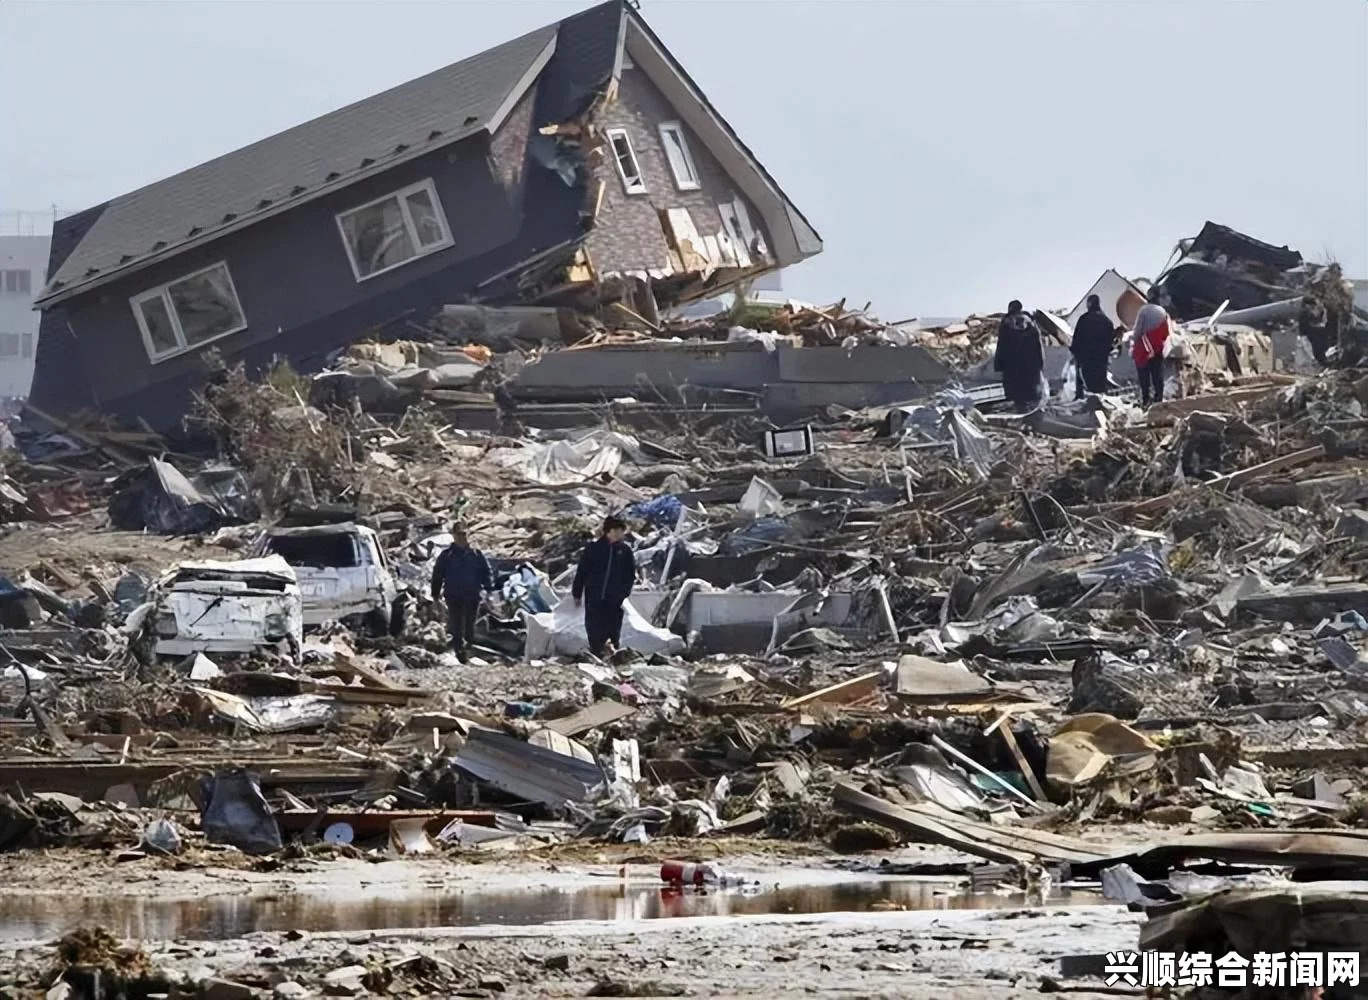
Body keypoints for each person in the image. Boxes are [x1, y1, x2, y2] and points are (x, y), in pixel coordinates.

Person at [572, 515, 637, 657]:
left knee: (613, 629)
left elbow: (630, 575)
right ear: (611, 531)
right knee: (594, 628)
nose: (622, 534)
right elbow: (582, 571)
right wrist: (577, 593)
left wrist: (623, 593)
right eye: (620, 530)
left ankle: (613, 655)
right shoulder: (594, 548)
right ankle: (596, 654)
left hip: (614, 599)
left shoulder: (624, 551)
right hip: (594, 597)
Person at [430, 528, 494, 662]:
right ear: (453, 536)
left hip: (472, 594)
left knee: (470, 623)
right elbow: (437, 575)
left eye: (463, 534)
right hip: (453, 595)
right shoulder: (447, 555)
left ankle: (468, 648)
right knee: (456, 623)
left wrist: (489, 590)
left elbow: (486, 572)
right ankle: (459, 651)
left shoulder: (475, 554)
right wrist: (435, 595)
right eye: (458, 534)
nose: (461, 537)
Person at [994, 300, 1045, 412]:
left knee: (1018, 397)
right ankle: (1033, 418)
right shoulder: (1031, 324)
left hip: (1012, 368)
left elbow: (1001, 346)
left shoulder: (1006, 324)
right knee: (1031, 396)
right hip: (1030, 367)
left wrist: (998, 365)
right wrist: (1041, 363)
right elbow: (1038, 346)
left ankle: (1023, 416)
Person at [1131, 287, 1171, 407]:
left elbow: (1137, 331)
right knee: (1157, 375)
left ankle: (1146, 400)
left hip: (1144, 349)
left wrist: (1135, 341)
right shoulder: (1162, 311)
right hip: (1158, 348)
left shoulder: (1144, 311)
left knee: (1144, 377)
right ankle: (1159, 399)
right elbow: (1166, 333)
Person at [1070, 294, 1118, 395]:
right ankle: (1100, 405)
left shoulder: (1083, 319)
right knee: (1100, 386)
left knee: (1086, 385)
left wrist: (1075, 353)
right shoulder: (1106, 321)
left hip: (1086, 360)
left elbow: (1077, 339)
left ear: (1089, 304)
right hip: (1101, 360)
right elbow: (1111, 341)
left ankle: (1087, 404)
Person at [1299, 293, 1331, 365]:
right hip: (1308, 334)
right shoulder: (1305, 312)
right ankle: (1321, 360)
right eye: (1313, 306)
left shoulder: (1305, 311)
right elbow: (1314, 320)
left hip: (1307, 333)